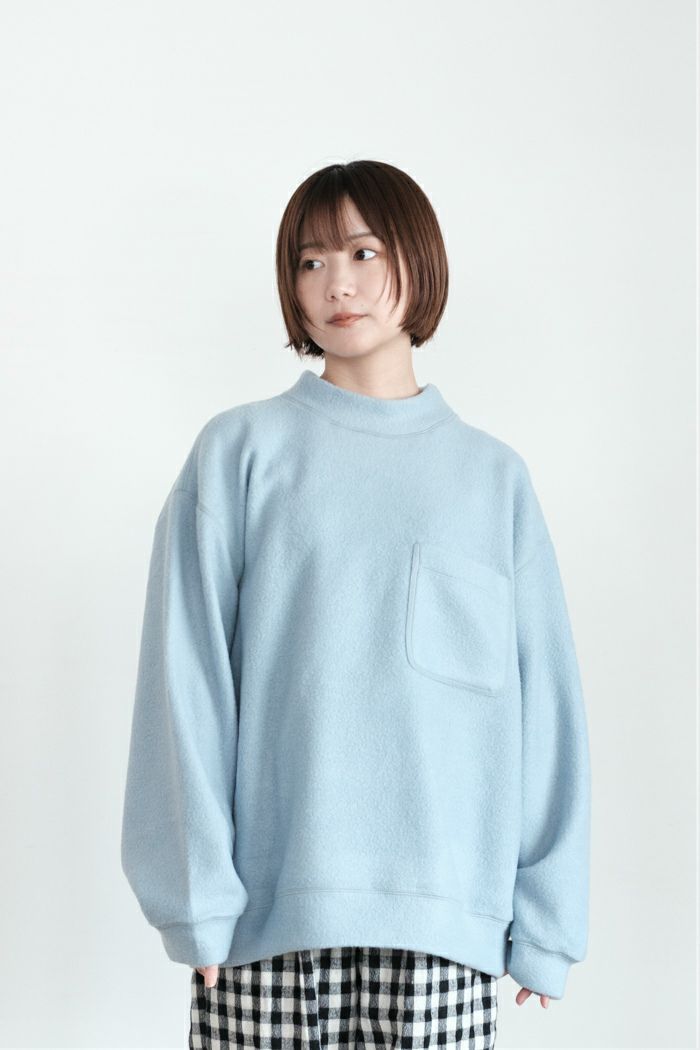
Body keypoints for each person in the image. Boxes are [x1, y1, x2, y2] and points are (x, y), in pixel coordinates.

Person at [121, 159, 591, 1049]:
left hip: (447, 932)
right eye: (310, 261)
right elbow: (183, 684)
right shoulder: (240, 454)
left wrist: (549, 916)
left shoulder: (492, 481)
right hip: (266, 928)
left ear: (419, 259)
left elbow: (548, 707)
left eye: (363, 253)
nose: (335, 283)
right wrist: (195, 897)